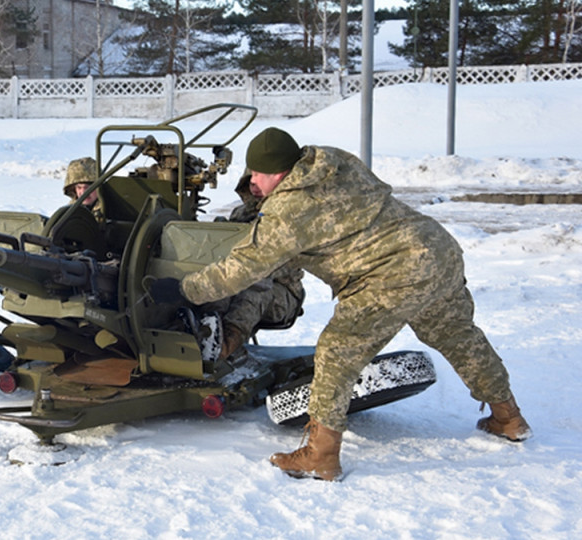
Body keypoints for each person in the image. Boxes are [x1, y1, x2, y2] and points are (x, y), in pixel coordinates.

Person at [149, 127, 531, 481]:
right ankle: (508, 417)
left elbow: (242, 268)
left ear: (280, 173)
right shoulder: (330, 161)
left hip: (390, 272)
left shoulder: (289, 211)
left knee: (336, 352)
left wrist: (186, 290)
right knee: (457, 336)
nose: (251, 182)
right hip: (435, 248)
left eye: (258, 175)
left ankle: (321, 456)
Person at [201, 169, 305, 360]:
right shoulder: (240, 214)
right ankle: (207, 335)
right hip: (244, 279)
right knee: (218, 288)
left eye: (259, 181)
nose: (254, 187)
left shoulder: (287, 216)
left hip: (282, 290)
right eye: (250, 182)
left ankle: (223, 349)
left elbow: (275, 266)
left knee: (253, 292)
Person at [62, 156, 103, 221]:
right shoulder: (70, 212)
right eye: (79, 187)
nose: (83, 192)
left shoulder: (112, 209)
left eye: (88, 187)